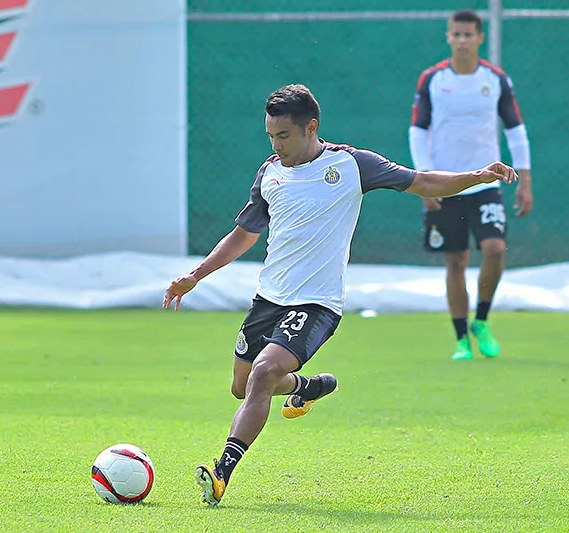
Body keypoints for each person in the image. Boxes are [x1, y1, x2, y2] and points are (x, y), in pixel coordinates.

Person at [163, 84, 517, 506]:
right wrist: (196, 275)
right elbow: (244, 235)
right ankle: (306, 386)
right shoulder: (270, 172)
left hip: (316, 305)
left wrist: (476, 176)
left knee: (261, 375)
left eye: (284, 136)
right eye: (271, 137)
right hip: (267, 301)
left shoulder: (352, 164)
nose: (277, 146)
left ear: (311, 128)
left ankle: (220, 474)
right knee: (242, 388)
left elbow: (422, 181)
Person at [409, 9, 534, 361]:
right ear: (448, 37)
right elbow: (418, 131)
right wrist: (425, 180)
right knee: (456, 261)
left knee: (494, 249)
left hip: (487, 183)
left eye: (469, 35)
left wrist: (524, 181)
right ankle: (461, 338)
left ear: (480, 38)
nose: (462, 40)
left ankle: (482, 319)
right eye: (456, 34)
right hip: (446, 185)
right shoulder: (432, 79)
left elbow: (516, 130)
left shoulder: (495, 79)